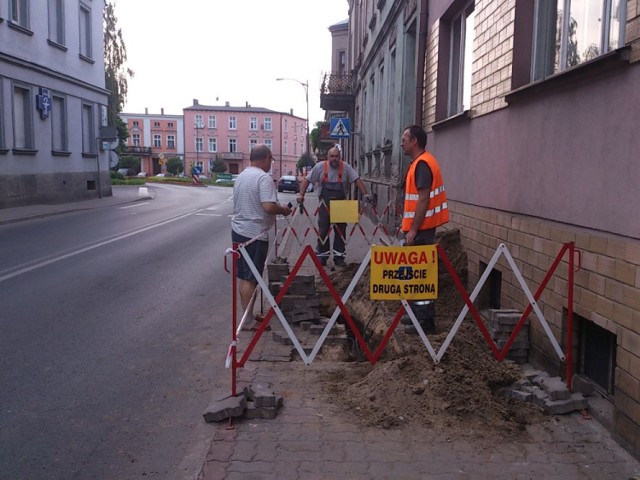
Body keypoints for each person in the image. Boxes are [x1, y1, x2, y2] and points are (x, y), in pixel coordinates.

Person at [232, 145, 292, 331]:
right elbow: (268, 207)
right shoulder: (263, 178)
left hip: (239, 231)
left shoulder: (241, 176)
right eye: (271, 160)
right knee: (251, 277)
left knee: (245, 276)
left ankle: (247, 315)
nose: (271, 164)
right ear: (266, 158)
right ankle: (248, 321)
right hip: (255, 234)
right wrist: (283, 210)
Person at [399, 125, 449, 334]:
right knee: (415, 275)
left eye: (404, 138)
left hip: (422, 230)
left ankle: (425, 322)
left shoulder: (422, 165)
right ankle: (417, 316)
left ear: (414, 142)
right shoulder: (419, 163)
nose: (401, 142)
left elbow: (423, 199)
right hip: (421, 229)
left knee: (421, 276)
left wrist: (413, 230)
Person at [297, 146, 368, 267]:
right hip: (324, 205)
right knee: (323, 229)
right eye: (332, 156)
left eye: (337, 156)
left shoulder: (345, 167)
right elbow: (307, 180)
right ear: (327, 157)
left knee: (341, 230)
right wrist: (301, 194)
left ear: (340, 157)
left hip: (341, 205)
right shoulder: (320, 167)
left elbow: (357, 180)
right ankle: (322, 256)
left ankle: (339, 257)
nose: (334, 159)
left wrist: (365, 194)